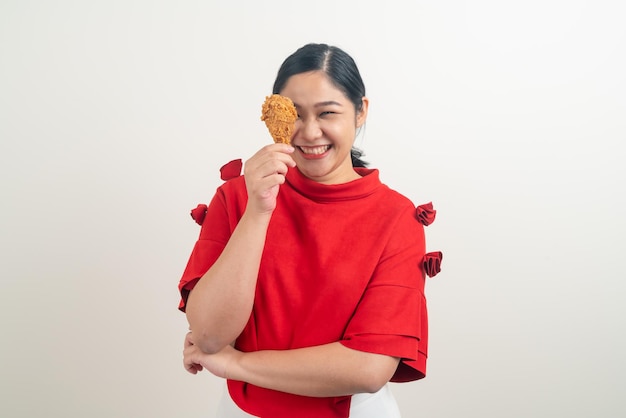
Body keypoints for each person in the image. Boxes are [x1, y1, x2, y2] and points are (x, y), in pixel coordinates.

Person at [178, 43, 439, 418]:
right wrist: (258, 210)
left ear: (360, 111)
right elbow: (209, 334)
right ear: (275, 115)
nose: (310, 132)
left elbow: (368, 368)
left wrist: (233, 365)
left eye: (328, 113)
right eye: (295, 114)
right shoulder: (239, 196)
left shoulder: (396, 217)